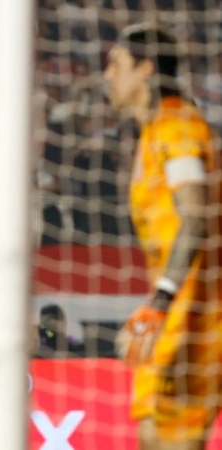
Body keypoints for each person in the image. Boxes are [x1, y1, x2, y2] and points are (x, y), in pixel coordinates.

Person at [106, 24, 222, 448]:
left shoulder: (177, 127)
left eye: (116, 64)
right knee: (152, 435)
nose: (107, 75)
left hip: (199, 319)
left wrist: (161, 299)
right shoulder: (155, 132)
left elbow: (195, 216)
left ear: (145, 70)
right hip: (180, 314)